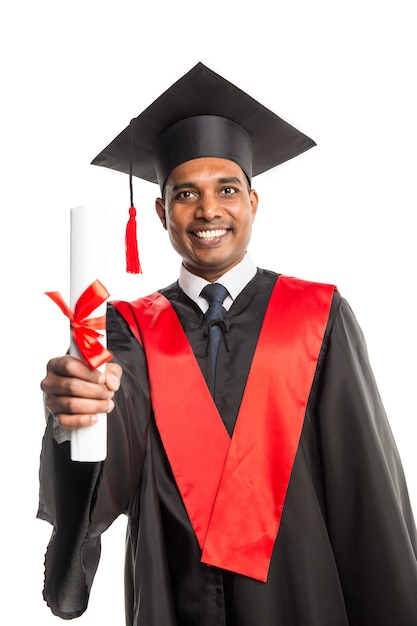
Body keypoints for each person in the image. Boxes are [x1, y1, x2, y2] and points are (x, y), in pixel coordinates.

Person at [38, 63, 417, 625]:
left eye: (227, 190)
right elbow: (109, 458)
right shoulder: (129, 330)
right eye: (186, 193)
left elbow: (363, 485)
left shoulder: (319, 315)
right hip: (174, 586)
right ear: (162, 212)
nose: (209, 210)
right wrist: (74, 417)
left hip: (299, 587)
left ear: (253, 203)